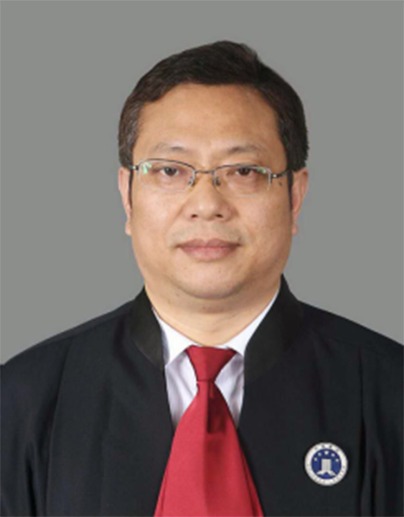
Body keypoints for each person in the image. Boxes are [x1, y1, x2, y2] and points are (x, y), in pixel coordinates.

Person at [1, 41, 402, 517]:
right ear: (127, 196)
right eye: (170, 170)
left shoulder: (389, 393)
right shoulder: (24, 401)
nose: (207, 204)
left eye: (243, 171)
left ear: (295, 196)